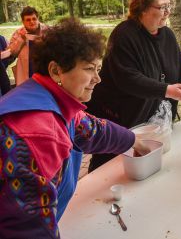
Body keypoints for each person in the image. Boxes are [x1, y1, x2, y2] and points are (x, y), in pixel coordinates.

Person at [0, 18, 150, 238]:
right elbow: (29, 227)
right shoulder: (40, 133)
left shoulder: (48, 97)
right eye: (90, 69)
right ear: (56, 70)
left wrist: (135, 141)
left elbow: (93, 130)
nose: (98, 79)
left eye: (98, 69)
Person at [87, 0, 181, 172]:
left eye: (169, 6)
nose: (168, 12)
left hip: (150, 122)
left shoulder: (167, 35)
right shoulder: (124, 35)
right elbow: (128, 79)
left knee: (148, 169)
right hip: (121, 119)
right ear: (142, 8)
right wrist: (167, 90)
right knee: (110, 170)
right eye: (162, 7)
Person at [8, 6, 48, 85]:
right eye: (28, 20)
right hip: (25, 74)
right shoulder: (18, 33)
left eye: (34, 19)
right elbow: (12, 54)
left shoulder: (47, 31)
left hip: (44, 72)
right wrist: (21, 40)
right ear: (23, 22)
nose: (32, 22)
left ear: (38, 18)